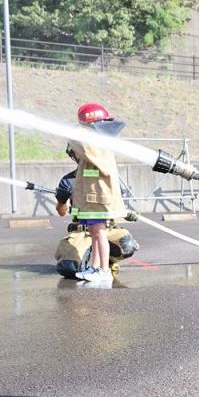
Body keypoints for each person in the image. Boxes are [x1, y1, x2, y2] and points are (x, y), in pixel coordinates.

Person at [68, 103, 128, 284]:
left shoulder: (99, 147)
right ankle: (94, 267)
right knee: (94, 234)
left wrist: (76, 132)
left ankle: (103, 270)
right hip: (91, 200)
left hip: (98, 200)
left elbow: (81, 146)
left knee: (99, 234)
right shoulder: (96, 145)